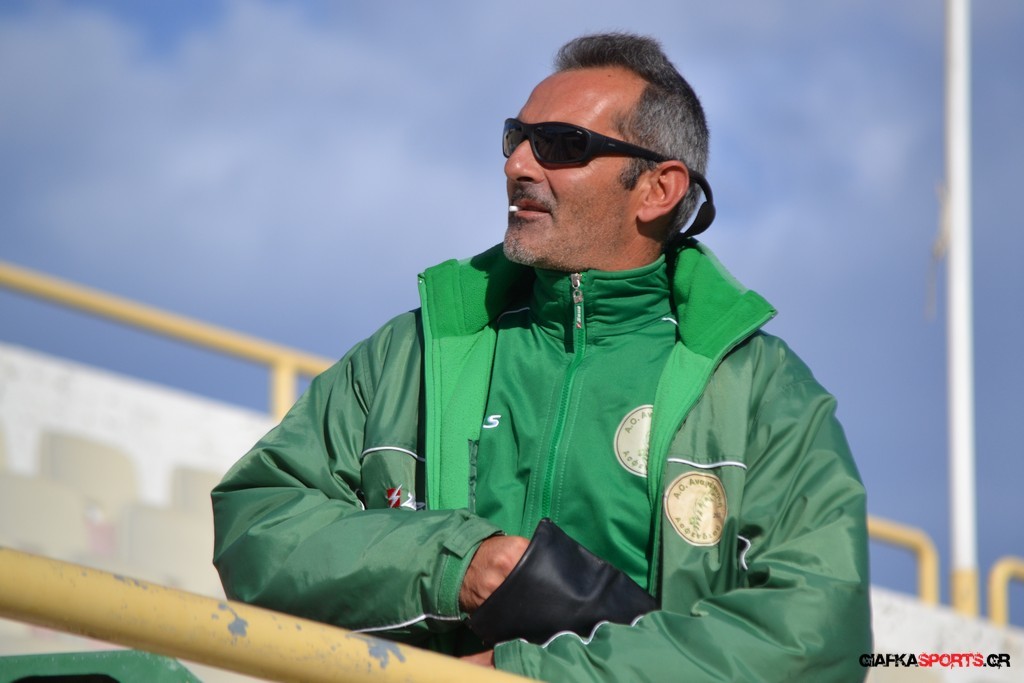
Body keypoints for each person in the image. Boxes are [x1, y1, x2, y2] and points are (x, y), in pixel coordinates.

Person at [212, 32, 872, 682]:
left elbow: (816, 636)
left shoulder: (762, 392)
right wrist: (458, 564)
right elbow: (257, 523)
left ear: (658, 189)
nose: (517, 166)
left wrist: (530, 674)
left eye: (560, 144)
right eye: (516, 138)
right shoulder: (408, 355)